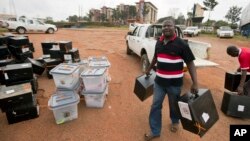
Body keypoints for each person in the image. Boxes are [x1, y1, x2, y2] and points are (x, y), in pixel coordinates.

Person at [144, 19, 198, 141]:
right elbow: (155, 58)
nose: (166, 27)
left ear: (175, 28)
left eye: (169, 25)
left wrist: (195, 82)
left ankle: (175, 121)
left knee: (174, 105)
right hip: (159, 82)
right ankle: (155, 131)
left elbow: (190, 63)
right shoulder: (159, 42)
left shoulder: (182, 44)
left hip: (174, 84)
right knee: (155, 105)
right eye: (164, 26)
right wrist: (148, 69)